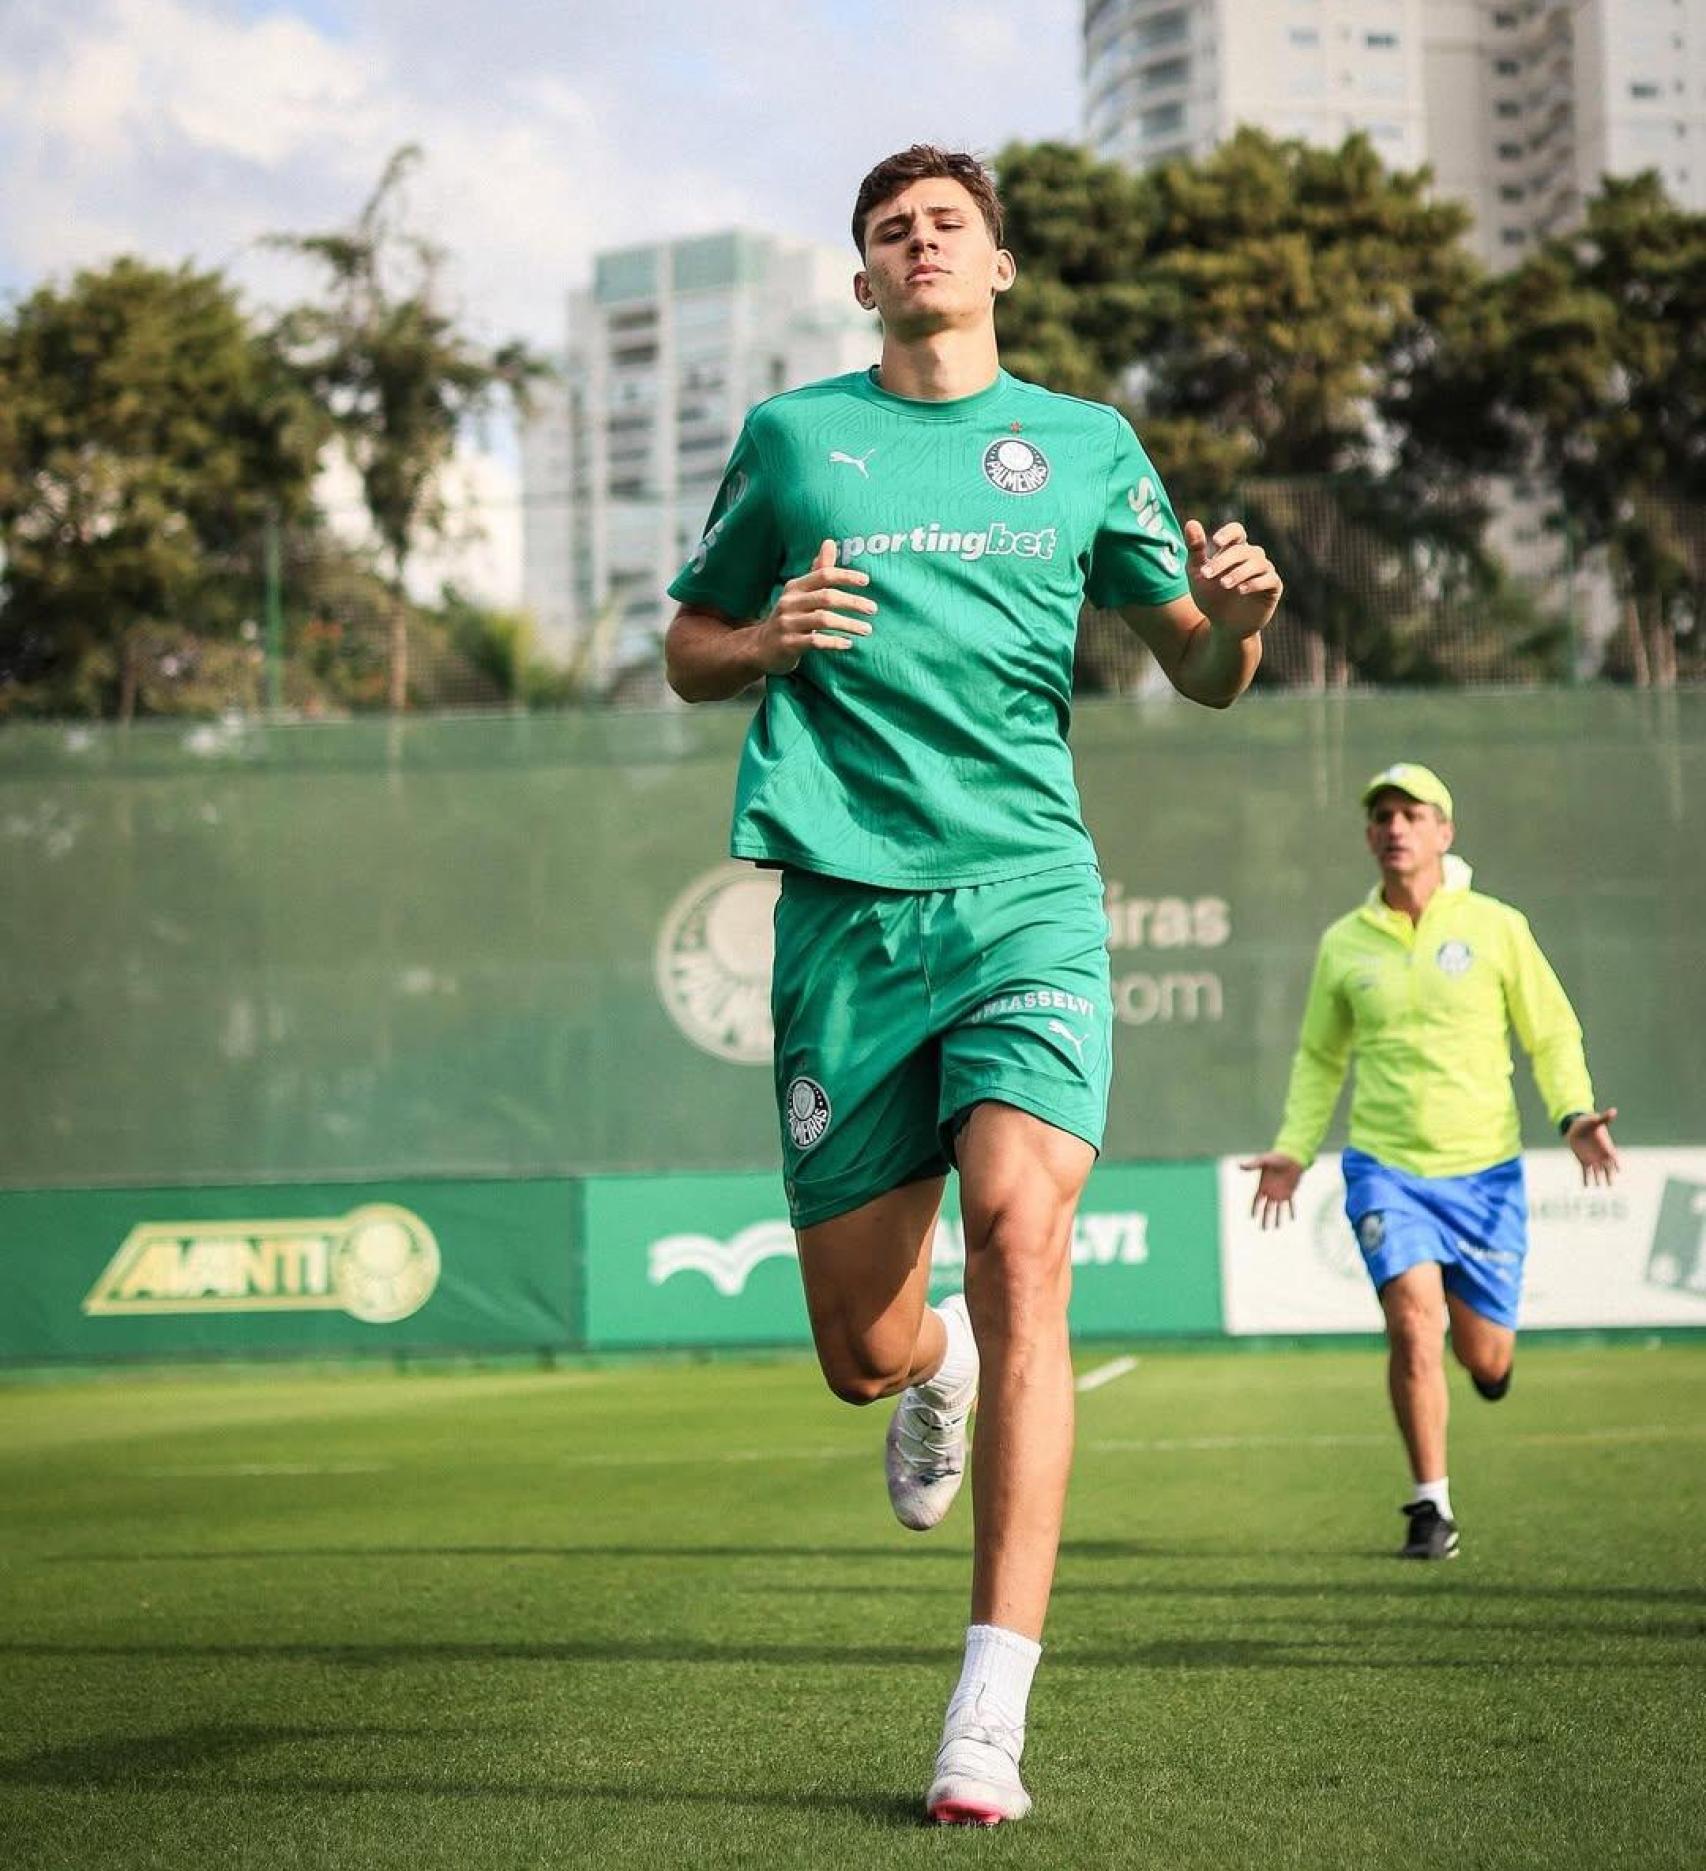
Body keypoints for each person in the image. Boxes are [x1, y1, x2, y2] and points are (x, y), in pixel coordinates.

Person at [664, 144, 1282, 1826]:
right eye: (890, 229)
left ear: (999, 264)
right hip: (843, 922)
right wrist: (765, 638)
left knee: (1020, 1231)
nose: (919, 240)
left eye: (947, 222)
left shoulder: (1083, 444)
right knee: (861, 1350)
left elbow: (1201, 668)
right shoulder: (796, 439)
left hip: (1025, 899)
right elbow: (689, 644)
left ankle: (985, 1713)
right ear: (862, 278)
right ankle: (931, 1372)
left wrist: (1239, 617)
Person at [1242, 762, 1619, 1560]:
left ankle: (1486, 1360)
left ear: (1444, 831)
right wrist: (1295, 1148)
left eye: (1412, 814)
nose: (1395, 827)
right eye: (1382, 816)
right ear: (1369, 836)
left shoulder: (1497, 926)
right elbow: (1319, 1059)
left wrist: (1574, 1113)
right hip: (1386, 1168)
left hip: (1485, 1172)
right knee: (1414, 1323)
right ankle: (1430, 1504)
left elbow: (1550, 1032)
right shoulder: (1344, 942)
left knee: (1485, 1354)